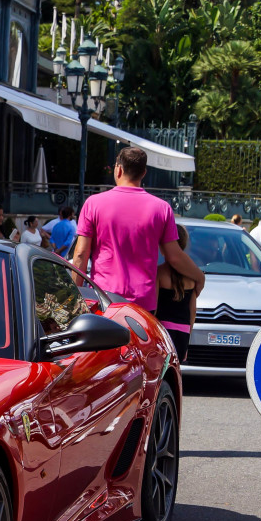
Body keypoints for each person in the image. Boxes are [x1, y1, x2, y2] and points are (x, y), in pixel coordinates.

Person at [70, 147, 205, 312]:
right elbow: (174, 256)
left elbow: (80, 254)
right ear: (143, 173)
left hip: (104, 299)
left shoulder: (94, 203)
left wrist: (74, 298)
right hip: (143, 304)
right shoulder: (161, 209)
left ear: (118, 169)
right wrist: (199, 276)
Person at [155, 224, 197, 362]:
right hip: (183, 332)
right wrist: (188, 338)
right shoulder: (192, 276)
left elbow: (154, 308)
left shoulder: (159, 273)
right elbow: (192, 312)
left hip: (163, 331)